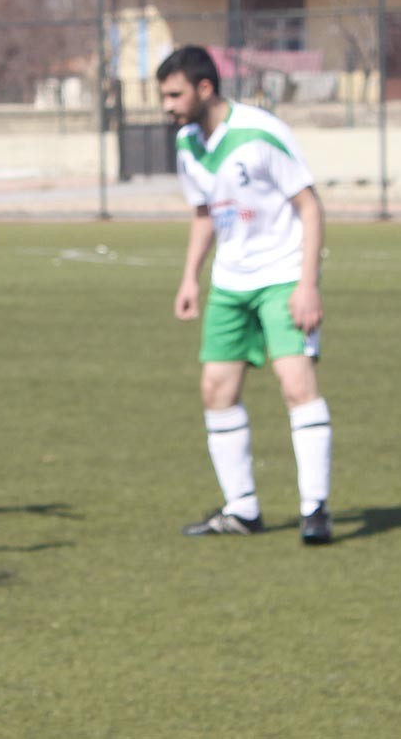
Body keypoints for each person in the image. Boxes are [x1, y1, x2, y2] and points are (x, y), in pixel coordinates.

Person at [157, 45, 333, 545]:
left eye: (174, 94)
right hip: (230, 284)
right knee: (216, 390)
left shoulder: (260, 133)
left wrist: (307, 284)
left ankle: (314, 508)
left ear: (204, 88)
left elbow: (310, 205)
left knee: (297, 384)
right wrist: (191, 276)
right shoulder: (188, 144)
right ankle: (242, 510)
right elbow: (204, 214)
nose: (167, 105)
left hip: (281, 277)